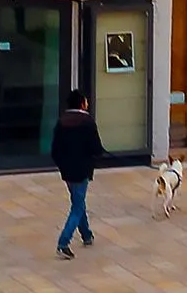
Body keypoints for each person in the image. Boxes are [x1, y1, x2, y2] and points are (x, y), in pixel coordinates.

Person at [51, 87, 103, 256]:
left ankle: (86, 234)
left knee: (78, 202)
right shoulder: (87, 123)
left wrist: (62, 166)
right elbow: (96, 148)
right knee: (77, 206)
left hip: (67, 171)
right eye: (86, 100)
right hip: (82, 170)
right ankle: (63, 242)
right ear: (82, 103)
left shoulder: (61, 122)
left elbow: (55, 150)